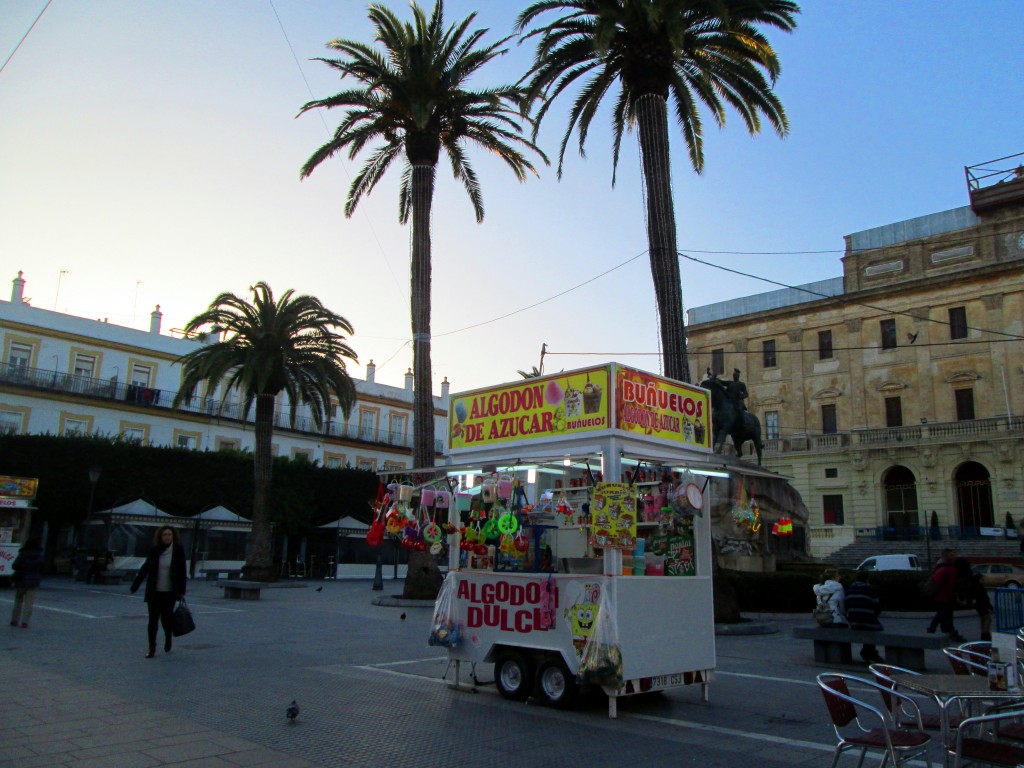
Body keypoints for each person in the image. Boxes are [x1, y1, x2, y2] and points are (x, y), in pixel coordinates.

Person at [130, 525, 187, 658]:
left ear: (173, 537)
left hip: (169, 592)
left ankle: (168, 637)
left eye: (169, 535)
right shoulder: (155, 550)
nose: (167, 537)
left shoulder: (178, 550)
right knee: (153, 620)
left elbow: (182, 572)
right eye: (165, 535)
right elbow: (145, 568)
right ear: (160, 537)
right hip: (154, 592)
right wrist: (135, 586)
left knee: (166, 619)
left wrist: (182, 591)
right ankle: (152, 648)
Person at [845, 569, 885, 663]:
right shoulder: (870, 590)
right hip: (868, 621)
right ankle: (870, 652)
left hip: (853, 621)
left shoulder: (850, 589)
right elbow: (877, 608)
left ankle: (867, 652)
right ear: (867, 579)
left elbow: (846, 606)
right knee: (872, 626)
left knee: (865, 623)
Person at [926, 548, 964, 642]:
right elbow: (950, 584)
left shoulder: (941, 567)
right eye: (951, 554)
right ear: (946, 556)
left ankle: (943, 631)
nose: (953, 556)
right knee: (944, 614)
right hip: (945, 596)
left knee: (944, 615)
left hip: (942, 596)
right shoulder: (949, 569)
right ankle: (935, 629)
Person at [955, 558, 992, 641]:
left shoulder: (960, 577)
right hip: (980, 597)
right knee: (986, 617)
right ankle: (986, 635)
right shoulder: (970, 576)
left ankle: (984, 633)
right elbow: (976, 587)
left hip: (974, 599)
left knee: (983, 616)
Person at [10, 539, 44, 629]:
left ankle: (15, 620)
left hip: (21, 580)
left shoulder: (23, 554)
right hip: (33, 581)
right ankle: (25, 622)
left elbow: (15, 566)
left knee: (18, 600)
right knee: (29, 602)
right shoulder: (39, 555)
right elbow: (42, 568)